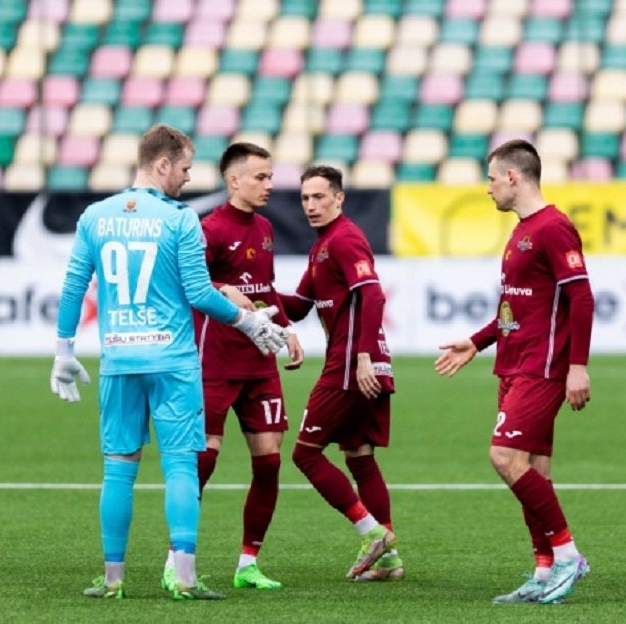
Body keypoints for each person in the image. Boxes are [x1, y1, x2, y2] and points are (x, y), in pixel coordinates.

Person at [50, 124, 287, 601]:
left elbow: (75, 285)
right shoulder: (179, 219)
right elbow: (199, 293)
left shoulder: (96, 216)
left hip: (119, 358)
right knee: (180, 466)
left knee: (118, 469)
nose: (186, 177)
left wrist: (64, 351)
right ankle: (184, 577)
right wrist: (248, 321)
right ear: (162, 164)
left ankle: (113, 580)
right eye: (183, 168)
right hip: (173, 361)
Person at [434, 139, 595, 605]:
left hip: (541, 368)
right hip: (514, 362)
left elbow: (581, 297)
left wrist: (577, 367)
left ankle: (567, 555)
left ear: (512, 177)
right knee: (534, 469)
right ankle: (544, 570)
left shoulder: (554, 227)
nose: (487, 189)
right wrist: (478, 342)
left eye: (490, 178)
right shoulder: (521, 231)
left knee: (504, 458)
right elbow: (516, 308)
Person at [161, 142, 304, 592]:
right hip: (216, 362)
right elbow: (189, 283)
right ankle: (176, 560)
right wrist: (223, 287)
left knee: (269, 463)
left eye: (270, 176)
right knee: (204, 461)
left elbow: (266, 286)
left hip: (259, 362)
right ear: (233, 180)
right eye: (260, 177)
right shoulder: (210, 228)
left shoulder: (263, 227)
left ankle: (248, 563)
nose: (269, 185)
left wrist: (286, 328)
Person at [277, 165, 402, 582]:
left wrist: (363, 355)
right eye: (305, 199)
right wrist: (251, 294)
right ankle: (389, 560)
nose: (311, 206)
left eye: (319, 197)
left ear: (339, 198)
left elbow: (373, 294)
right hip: (365, 359)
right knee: (359, 456)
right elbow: (296, 306)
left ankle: (372, 534)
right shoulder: (322, 247)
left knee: (304, 453)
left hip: (352, 362)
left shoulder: (345, 239)